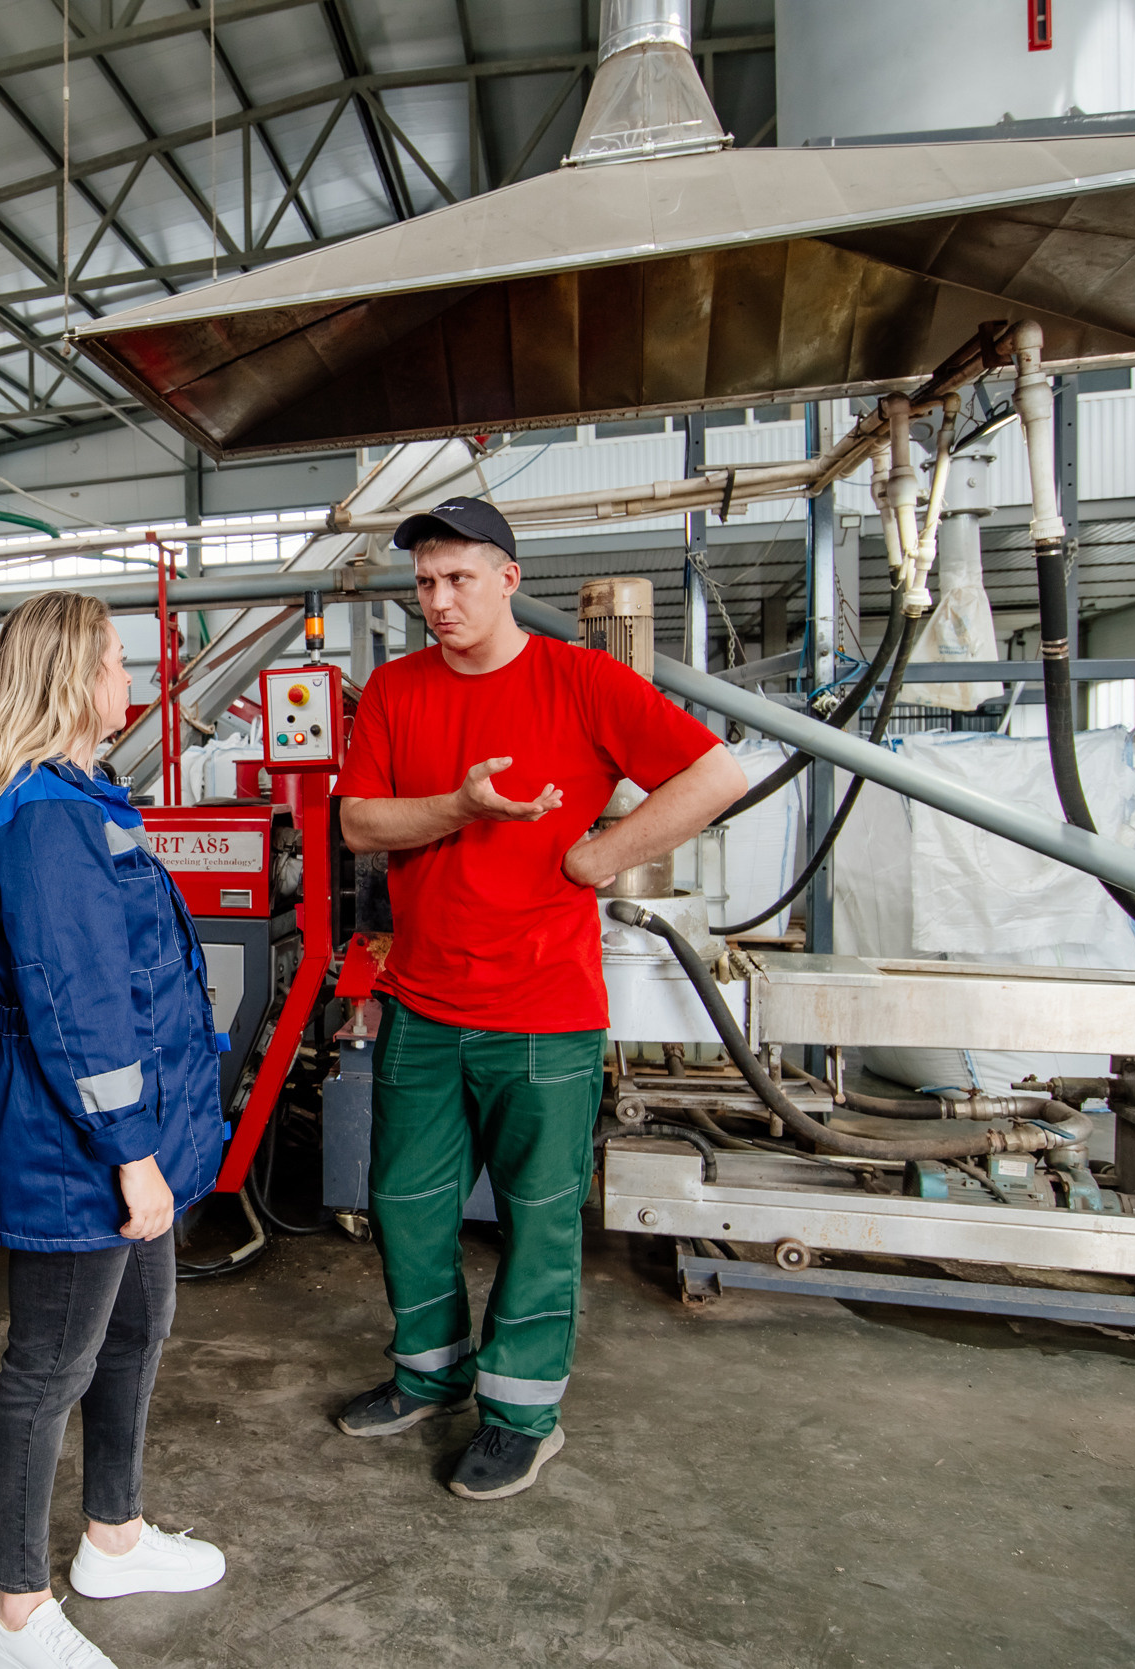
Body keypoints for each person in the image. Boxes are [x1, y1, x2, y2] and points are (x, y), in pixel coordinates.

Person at [332, 497, 747, 1500]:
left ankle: (521, 1416)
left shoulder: (580, 680)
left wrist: (602, 854)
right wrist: (461, 807)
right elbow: (358, 823)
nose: (437, 600)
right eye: (424, 582)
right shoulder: (394, 689)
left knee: (539, 1218)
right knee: (405, 1204)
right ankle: (427, 1374)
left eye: (458, 578)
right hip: (425, 1002)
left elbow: (715, 771)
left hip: (545, 1010)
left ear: (509, 579)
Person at [0, 592, 229, 1669]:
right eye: (117, 661)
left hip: (125, 1128)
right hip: (81, 1142)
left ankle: (111, 1538)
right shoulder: (46, 816)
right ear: (72, 676)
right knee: (47, 1366)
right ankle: (16, 1610)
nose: (130, 681)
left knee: (137, 1329)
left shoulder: (74, 796)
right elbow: (78, 1007)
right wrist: (132, 1156)